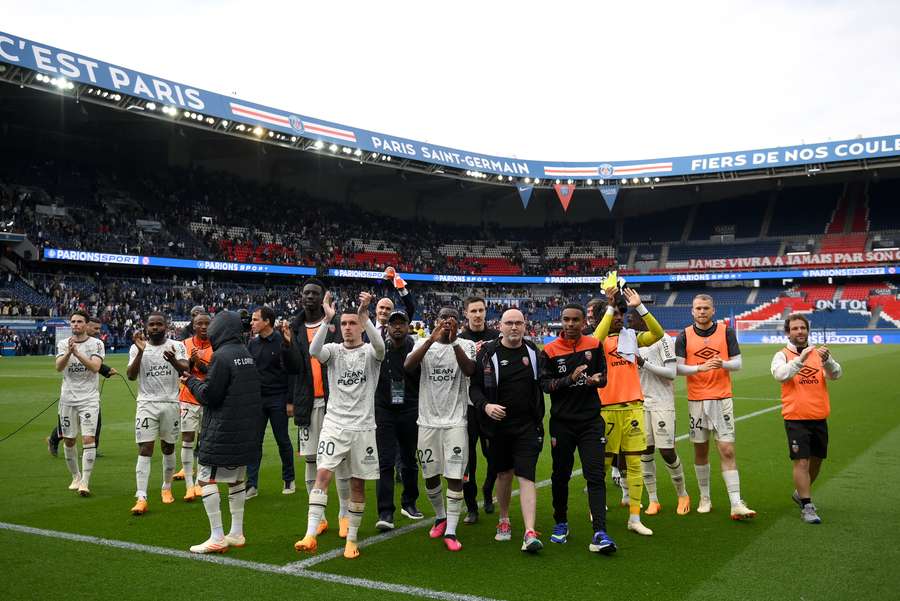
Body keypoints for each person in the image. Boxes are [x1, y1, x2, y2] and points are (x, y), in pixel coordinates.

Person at [294, 291, 384, 559]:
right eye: (343, 324)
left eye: (352, 323)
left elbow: (381, 347)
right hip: (334, 424)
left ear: (360, 326)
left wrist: (366, 318)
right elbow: (313, 351)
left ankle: (352, 539)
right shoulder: (332, 351)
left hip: (363, 428)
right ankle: (310, 533)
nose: (347, 328)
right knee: (322, 475)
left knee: (357, 485)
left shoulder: (370, 352)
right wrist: (327, 319)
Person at [183, 310, 263, 553]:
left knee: (205, 478)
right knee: (236, 480)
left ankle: (217, 536)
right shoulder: (245, 353)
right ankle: (236, 532)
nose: (210, 332)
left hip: (223, 431)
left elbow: (210, 395)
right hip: (244, 430)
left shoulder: (222, 355)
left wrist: (190, 381)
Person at [540, 303, 616, 554]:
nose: (570, 324)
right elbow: (545, 385)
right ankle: (560, 522)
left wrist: (597, 380)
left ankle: (600, 532)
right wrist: (569, 379)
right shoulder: (549, 350)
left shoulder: (594, 345)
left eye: (575, 320)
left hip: (591, 422)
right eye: (566, 319)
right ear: (560, 321)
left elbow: (604, 377)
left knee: (595, 475)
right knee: (560, 475)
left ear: (584, 322)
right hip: (562, 424)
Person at [470, 309, 545, 553]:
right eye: (509, 323)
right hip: (498, 428)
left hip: (527, 426)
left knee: (527, 476)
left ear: (525, 326)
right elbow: (475, 389)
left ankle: (529, 531)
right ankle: (504, 520)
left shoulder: (533, 352)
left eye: (518, 323)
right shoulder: (487, 353)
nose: (514, 327)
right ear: (500, 326)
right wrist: (487, 406)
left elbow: (543, 382)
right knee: (503, 475)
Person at [675, 294, 755, 520]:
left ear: (713, 310)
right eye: (698, 308)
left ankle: (736, 503)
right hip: (697, 400)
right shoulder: (684, 335)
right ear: (692, 311)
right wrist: (699, 369)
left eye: (706, 308)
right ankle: (705, 497)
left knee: (727, 450)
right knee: (701, 450)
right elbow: (678, 369)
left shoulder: (726, 331)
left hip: (722, 399)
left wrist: (723, 363)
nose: (702, 311)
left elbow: (738, 363)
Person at [592, 286, 664, 536]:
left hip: (633, 407)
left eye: (623, 313)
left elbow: (658, 333)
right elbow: (595, 340)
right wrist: (609, 308)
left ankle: (635, 517)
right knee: (601, 465)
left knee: (635, 465)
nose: (621, 317)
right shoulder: (597, 342)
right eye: (616, 313)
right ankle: (597, 510)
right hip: (606, 410)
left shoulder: (631, 337)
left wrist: (640, 307)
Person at [404, 307, 476, 552]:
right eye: (443, 318)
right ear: (435, 321)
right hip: (427, 422)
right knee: (430, 474)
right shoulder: (424, 343)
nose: (447, 322)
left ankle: (452, 531)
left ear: (459, 323)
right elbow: (408, 366)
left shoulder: (465, 345)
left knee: (455, 475)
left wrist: (453, 342)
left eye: (452, 318)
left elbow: (470, 370)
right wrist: (430, 341)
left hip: (456, 421)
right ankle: (440, 517)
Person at [770, 313, 841, 524]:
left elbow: (836, 374)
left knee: (817, 461)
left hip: (819, 415)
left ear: (807, 331)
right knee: (801, 461)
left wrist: (827, 361)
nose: (799, 331)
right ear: (788, 333)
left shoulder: (819, 354)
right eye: (795, 329)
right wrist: (800, 360)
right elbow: (780, 375)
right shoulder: (781, 355)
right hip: (796, 417)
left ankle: (799, 493)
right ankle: (807, 505)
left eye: (802, 328)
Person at [289, 278, 346, 537]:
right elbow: (290, 368)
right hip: (307, 401)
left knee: (341, 460)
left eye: (315, 293)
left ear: (324, 298)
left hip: (337, 402)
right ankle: (319, 517)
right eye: (306, 293)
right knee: (311, 459)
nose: (309, 297)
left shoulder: (338, 322)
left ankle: (344, 514)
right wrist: (291, 399)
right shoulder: (294, 326)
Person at [127, 311, 189, 515]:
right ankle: (141, 497)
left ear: (166, 326)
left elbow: (185, 370)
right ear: (146, 327)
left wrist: (172, 361)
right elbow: (131, 375)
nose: (155, 327)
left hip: (171, 403)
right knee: (145, 448)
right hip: (146, 404)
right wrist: (141, 351)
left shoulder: (177, 346)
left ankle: (166, 488)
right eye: (151, 324)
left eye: (159, 324)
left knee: (168, 447)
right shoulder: (136, 348)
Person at [632, 311, 691, 516]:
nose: (629, 325)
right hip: (640, 403)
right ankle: (653, 499)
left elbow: (672, 373)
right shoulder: (631, 341)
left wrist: (643, 363)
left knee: (666, 451)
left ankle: (683, 494)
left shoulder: (663, 339)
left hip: (661, 402)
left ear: (641, 319)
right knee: (645, 451)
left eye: (631, 320)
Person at [374, 310, 423, 531]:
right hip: (384, 409)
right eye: (393, 323)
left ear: (407, 326)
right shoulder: (378, 349)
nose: (397, 327)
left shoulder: (416, 348)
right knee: (385, 461)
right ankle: (385, 511)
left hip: (410, 408)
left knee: (409, 459)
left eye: (401, 323)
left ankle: (409, 502)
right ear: (387, 327)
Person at [246, 306, 301, 498]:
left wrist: (290, 401)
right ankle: (251, 484)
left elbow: (292, 372)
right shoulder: (252, 344)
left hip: (278, 398)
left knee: (282, 440)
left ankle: (289, 479)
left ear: (267, 321)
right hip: (258, 400)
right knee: (254, 442)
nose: (251, 323)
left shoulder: (282, 341)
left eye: (255, 319)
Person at [47, 315, 116, 458]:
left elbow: (94, 363)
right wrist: (106, 370)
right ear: (87, 326)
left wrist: (106, 370)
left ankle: (91, 448)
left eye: (99, 329)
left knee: (96, 421)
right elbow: (90, 364)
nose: (97, 331)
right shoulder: (68, 343)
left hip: (89, 394)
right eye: (95, 328)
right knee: (66, 427)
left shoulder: (95, 344)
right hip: (70, 393)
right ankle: (53, 440)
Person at [458, 296, 500, 524]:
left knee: (494, 457)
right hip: (466, 407)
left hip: (489, 405)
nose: (477, 314)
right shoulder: (460, 340)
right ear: (466, 313)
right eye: (473, 310)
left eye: (481, 310)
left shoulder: (496, 337)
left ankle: (487, 489)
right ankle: (472, 506)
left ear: (486, 312)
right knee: (467, 460)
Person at [54, 310, 105, 496]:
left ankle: (85, 481)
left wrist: (77, 352)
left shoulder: (96, 344)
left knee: (88, 439)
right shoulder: (62, 344)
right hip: (67, 398)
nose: (75, 324)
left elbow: (95, 367)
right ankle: (75, 476)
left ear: (86, 324)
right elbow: (59, 367)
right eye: (73, 321)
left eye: (79, 321)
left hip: (89, 399)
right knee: (69, 439)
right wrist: (69, 352)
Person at [175, 311, 212, 502]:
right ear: (194, 325)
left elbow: (215, 372)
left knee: (205, 440)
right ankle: (189, 485)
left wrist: (199, 362)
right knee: (188, 439)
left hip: (208, 399)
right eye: (200, 323)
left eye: (207, 323)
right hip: (188, 397)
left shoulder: (217, 344)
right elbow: (181, 370)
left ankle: (200, 482)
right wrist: (191, 361)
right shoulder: (185, 344)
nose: (204, 327)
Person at [373, 267, 415, 339]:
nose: (384, 311)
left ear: (393, 311)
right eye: (381, 307)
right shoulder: (366, 327)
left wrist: (401, 289)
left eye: (388, 309)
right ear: (376, 309)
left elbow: (410, 307)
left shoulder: (398, 327)